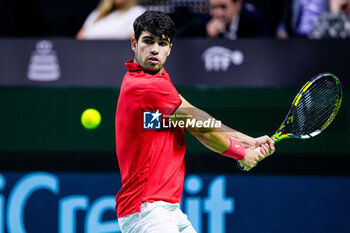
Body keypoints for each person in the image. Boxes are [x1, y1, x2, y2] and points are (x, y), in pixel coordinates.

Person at [115, 11, 275, 233]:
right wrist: (242, 154)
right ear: (134, 43)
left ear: (170, 48)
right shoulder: (148, 87)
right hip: (148, 211)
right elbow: (201, 130)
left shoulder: (157, 80)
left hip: (166, 209)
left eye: (162, 43)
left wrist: (246, 140)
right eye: (148, 41)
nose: (154, 49)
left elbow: (196, 115)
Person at [176, 0, 266, 39]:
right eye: (214, 7)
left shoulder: (253, 21)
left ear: (237, 5)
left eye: (223, 7)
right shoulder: (203, 23)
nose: (218, 13)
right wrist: (208, 38)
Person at [76, 0, 145, 40]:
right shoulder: (97, 14)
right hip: (91, 54)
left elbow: (135, 37)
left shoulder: (136, 11)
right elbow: (80, 36)